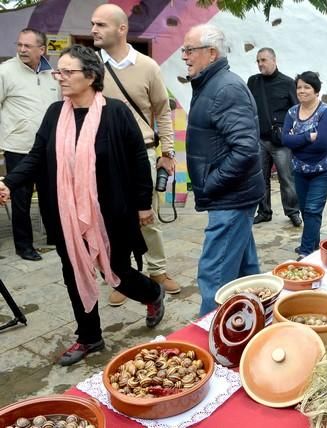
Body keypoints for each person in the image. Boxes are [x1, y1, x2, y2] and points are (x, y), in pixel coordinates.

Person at [0, 45, 165, 366]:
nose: (59, 77)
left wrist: (143, 205)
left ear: (90, 76)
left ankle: (152, 294)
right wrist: (9, 182)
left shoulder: (116, 113)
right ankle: (89, 336)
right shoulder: (54, 114)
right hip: (65, 214)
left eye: (67, 71)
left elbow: (137, 163)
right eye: (57, 71)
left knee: (116, 270)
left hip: (112, 213)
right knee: (74, 272)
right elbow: (35, 157)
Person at [90, 4, 180, 306]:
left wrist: (167, 152)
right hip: (101, 158)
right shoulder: (89, 67)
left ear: (121, 28)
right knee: (112, 220)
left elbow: (162, 111)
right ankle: (124, 277)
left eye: (101, 25)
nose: (94, 30)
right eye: (93, 24)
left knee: (146, 217)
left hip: (141, 153)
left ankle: (157, 271)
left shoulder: (147, 66)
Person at [182, 24, 264, 316]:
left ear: (211, 53)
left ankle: (211, 338)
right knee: (246, 272)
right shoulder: (211, 83)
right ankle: (255, 322)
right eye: (183, 50)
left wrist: (210, 183)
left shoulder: (225, 88)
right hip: (231, 196)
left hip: (230, 197)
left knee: (215, 276)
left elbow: (245, 149)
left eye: (189, 50)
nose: (184, 56)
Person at [0, 28, 60, 261]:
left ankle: (54, 237)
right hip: (19, 147)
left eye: (28, 46)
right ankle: (23, 246)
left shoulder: (52, 75)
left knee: (50, 195)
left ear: (41, 49)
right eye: (20, 45)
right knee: (21, 199)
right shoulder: (5, 72)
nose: (22, 49)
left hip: (47, 149)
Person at [282, 72, 327, 260]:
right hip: (300, 169)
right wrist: (307, 138)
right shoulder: (292, 112)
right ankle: (315, 247)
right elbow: (285, 139)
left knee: (313, 209)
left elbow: (323, 144)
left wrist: (298, 145)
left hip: (323, 169)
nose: (302, 91)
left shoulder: (326, 112)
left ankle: (306, 252)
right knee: (306, 210)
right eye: (299, 87)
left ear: (316, 91)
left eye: (307, 87)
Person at [247, 48, 302, 228]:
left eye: (263, 60)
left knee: (287, 178)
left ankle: (293, 212)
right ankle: (264, 211)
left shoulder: (287, 83)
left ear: (274, 60)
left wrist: (289, 131)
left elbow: (296, 111)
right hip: (259, 140)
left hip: (281, 142)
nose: (260, 64)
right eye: (258, 61)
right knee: (260, 179)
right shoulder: (253, 82)